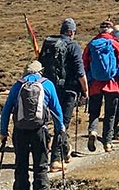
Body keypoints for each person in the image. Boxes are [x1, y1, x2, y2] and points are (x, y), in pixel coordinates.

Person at [0, 61, 64, 190]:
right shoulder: (47, 85)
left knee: (21, 165)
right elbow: (56, 109)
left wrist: (3, 132)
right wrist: (60, 128)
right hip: (40, 130)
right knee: (40, 165)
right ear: (40, 71)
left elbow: (6, 110)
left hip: (20, 130)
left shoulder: (18, 85)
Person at [35, 19, 85, 170]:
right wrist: (85, 90)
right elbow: (80, 71)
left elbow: (40, 64)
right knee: (62, 123)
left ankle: (63, 151)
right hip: (68, 91)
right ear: (71, 32)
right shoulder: (73, 46)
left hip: (48, 89)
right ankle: (56, 159)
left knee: (46, 122)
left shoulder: (48, 44)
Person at [81, 22, 119, 152]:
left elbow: (84, 64)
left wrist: (85, 82)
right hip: (112, 84)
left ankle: (92, 131)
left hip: (94, 85)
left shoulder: (91, 44)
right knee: (110, 114)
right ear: (110, 31)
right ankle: (107, 142)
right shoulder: (116, 44)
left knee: (94, 112)